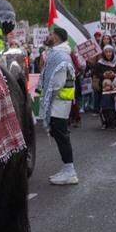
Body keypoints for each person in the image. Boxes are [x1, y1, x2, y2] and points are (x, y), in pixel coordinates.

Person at [38, 26, 79, 185]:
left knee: (62, 136)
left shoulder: (60, 56)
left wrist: (48, 101)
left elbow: (57, 83)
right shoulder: (56, 54)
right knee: (60, 135)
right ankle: (67, 168)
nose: (48, 36)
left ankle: (70, 172)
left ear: (56, 37)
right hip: (58, 104)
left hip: (59, 104)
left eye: (50, 34)